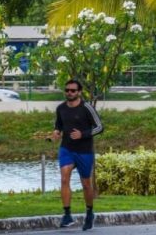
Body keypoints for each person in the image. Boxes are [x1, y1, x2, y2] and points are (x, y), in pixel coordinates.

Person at [53, 78, 103, 230]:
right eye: (67, 90)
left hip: (84, 150)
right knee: (64, 178)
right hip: (66, 148)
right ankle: (67, 215)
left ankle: (89, 212)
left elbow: (100, 127)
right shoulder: (60, 108)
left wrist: (83, 134)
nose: (69, 93)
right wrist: (56, 132)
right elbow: (59, 125)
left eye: (73, 90)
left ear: (79, 92)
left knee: (86, 184)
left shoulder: (86, 108)